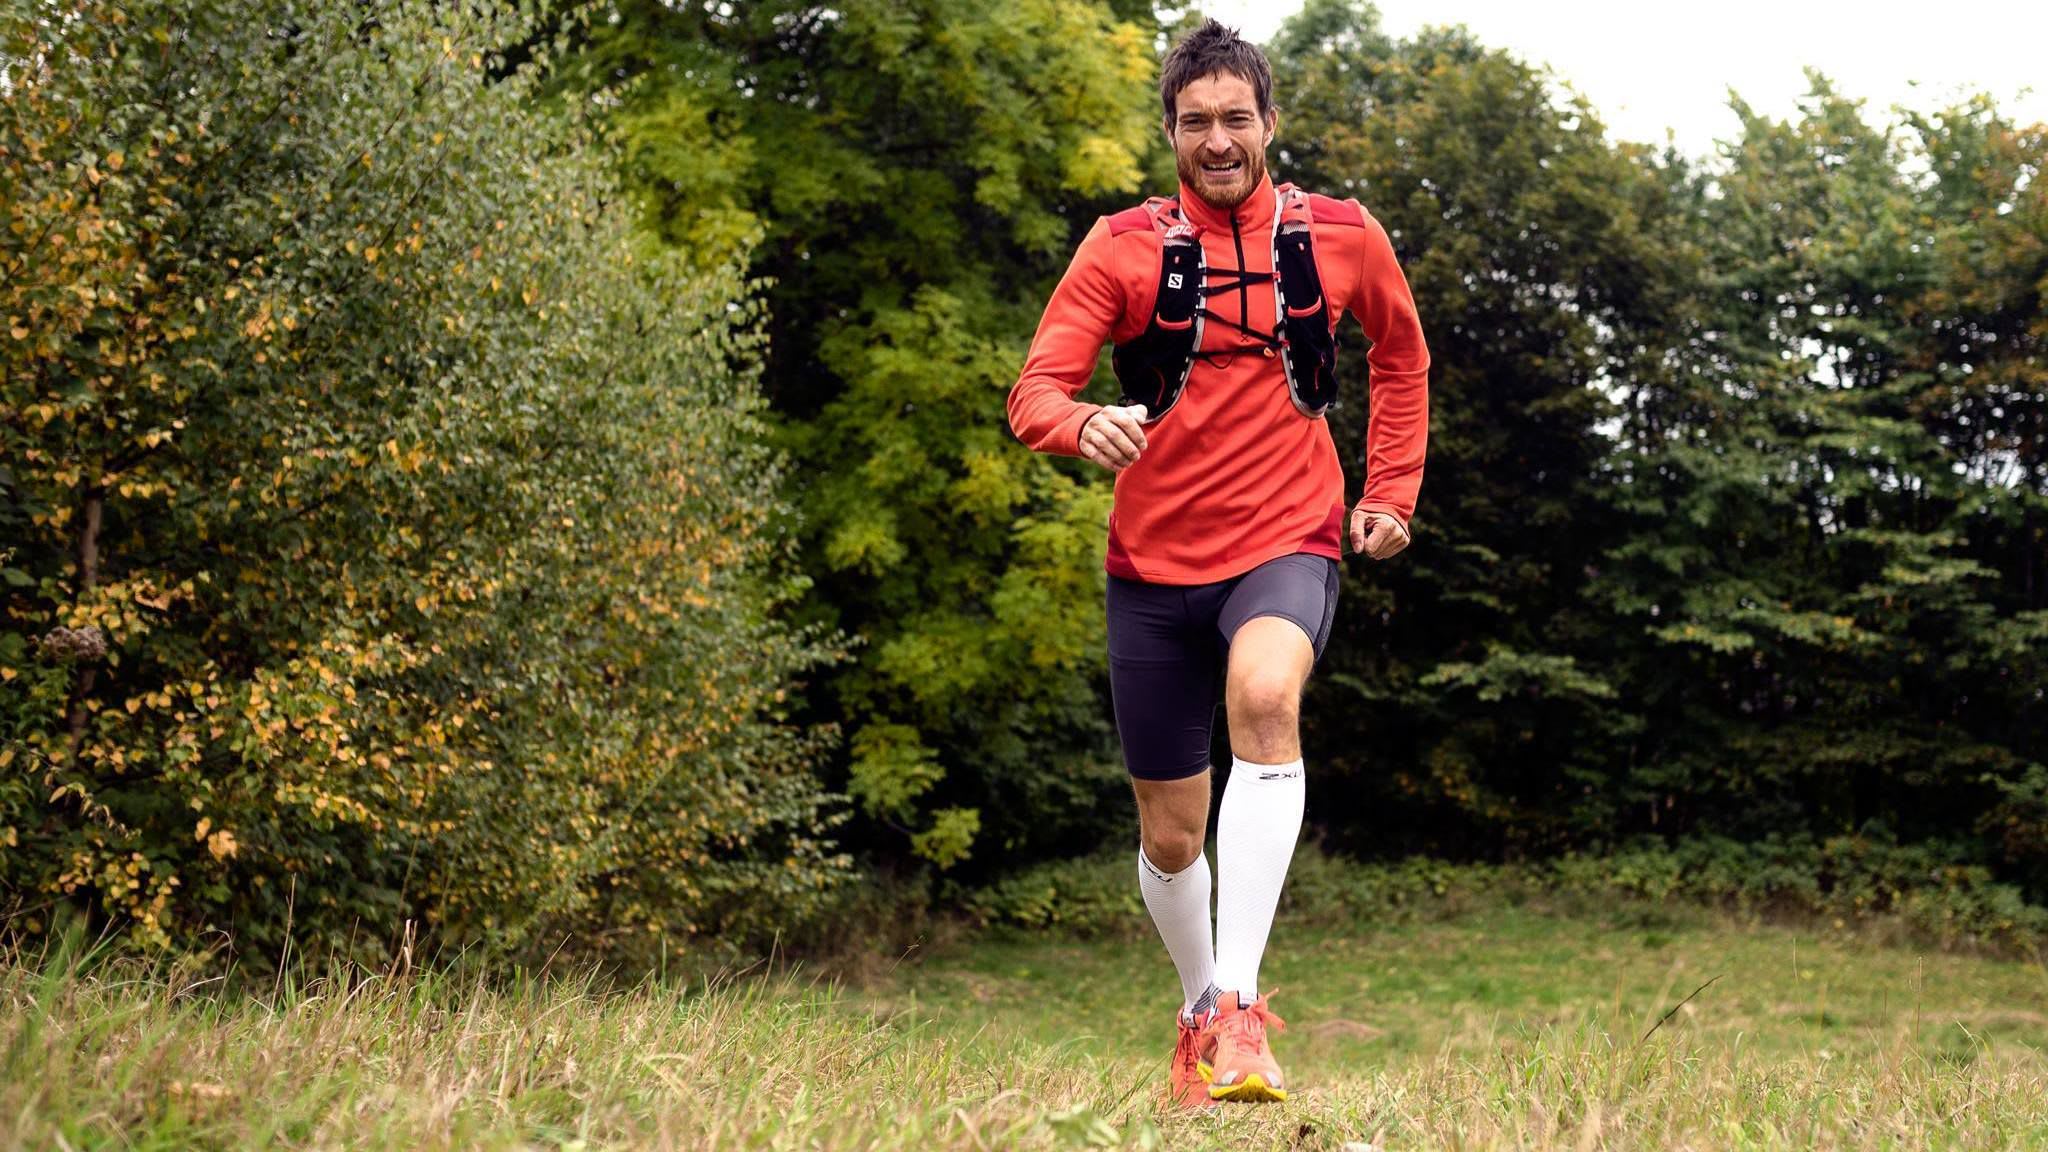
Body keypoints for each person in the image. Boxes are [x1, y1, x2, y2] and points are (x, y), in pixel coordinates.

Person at [1005, 19, 1430, 1107]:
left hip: (1287, 538)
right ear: (1170, 134)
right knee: (1169, 834)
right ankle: (1200, 1009)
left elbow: (1400, 355)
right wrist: (1083, 422)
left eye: (1236, 117)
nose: (1218, 140)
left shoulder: (1341, 234)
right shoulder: (1120, 247)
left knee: (1266, 696)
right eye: (1195, 122)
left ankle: (1240, 1007)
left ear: (1269, 122)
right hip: (1151, 567)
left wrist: (1388, 493)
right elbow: (1034, 392)